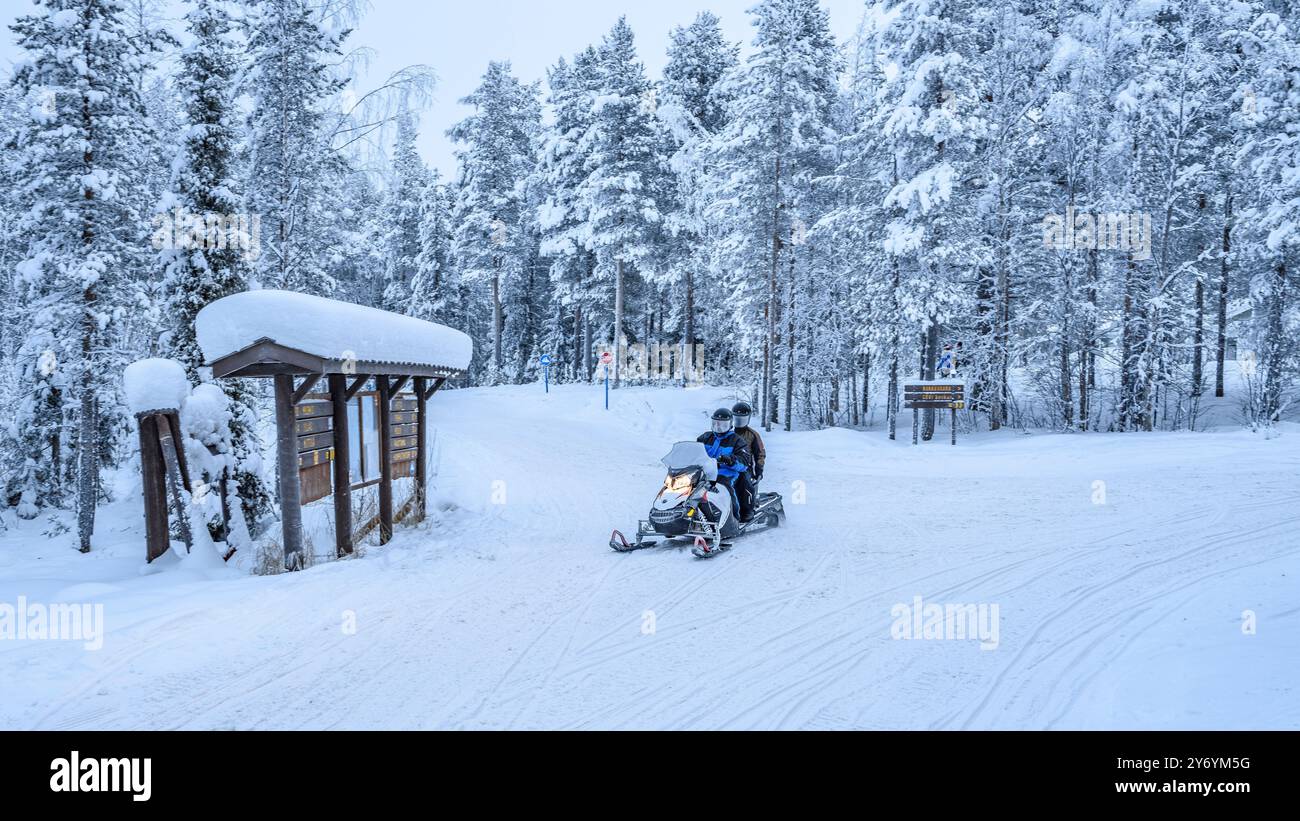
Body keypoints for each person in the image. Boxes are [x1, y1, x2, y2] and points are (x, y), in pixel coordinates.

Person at [697, 408, 753, 521]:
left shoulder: (737, 440)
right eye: (716, 423)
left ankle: (734, 517)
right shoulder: (705, 437)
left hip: (726, 473)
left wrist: (730, 460)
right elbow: (694, 451)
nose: (719, 427)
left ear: (730, 424)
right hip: (705, 472)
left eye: (723, 424)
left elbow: (745, 462)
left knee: (724, 486)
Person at [731, 401, 764, 520]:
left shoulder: (752, 435)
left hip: (744, 467)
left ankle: (747, 510)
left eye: (742, 418)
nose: (739, 421)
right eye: (737, 418)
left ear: (748, 418)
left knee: (743, 480)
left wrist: (759, 470)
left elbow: (760, 453)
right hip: (727, 465)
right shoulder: (727, 432)